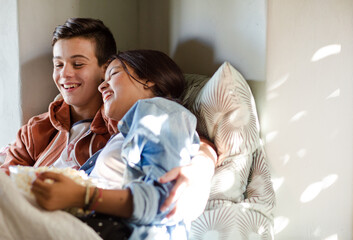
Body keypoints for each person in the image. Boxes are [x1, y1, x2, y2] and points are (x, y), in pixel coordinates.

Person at [0, 18, 216, 219]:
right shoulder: (38, 128)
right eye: (58, 64)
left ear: (105, 69)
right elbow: (6, 177)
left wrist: (198, 169)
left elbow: (189, 141)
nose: (64, 74)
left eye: (77, 64)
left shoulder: (120, 120)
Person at [31, 50, 203, 239]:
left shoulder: (159, 112)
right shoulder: (123, 134)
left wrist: (84, 196)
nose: (101, 86)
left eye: (113, 74)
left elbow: (165, 203)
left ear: (147, 79)